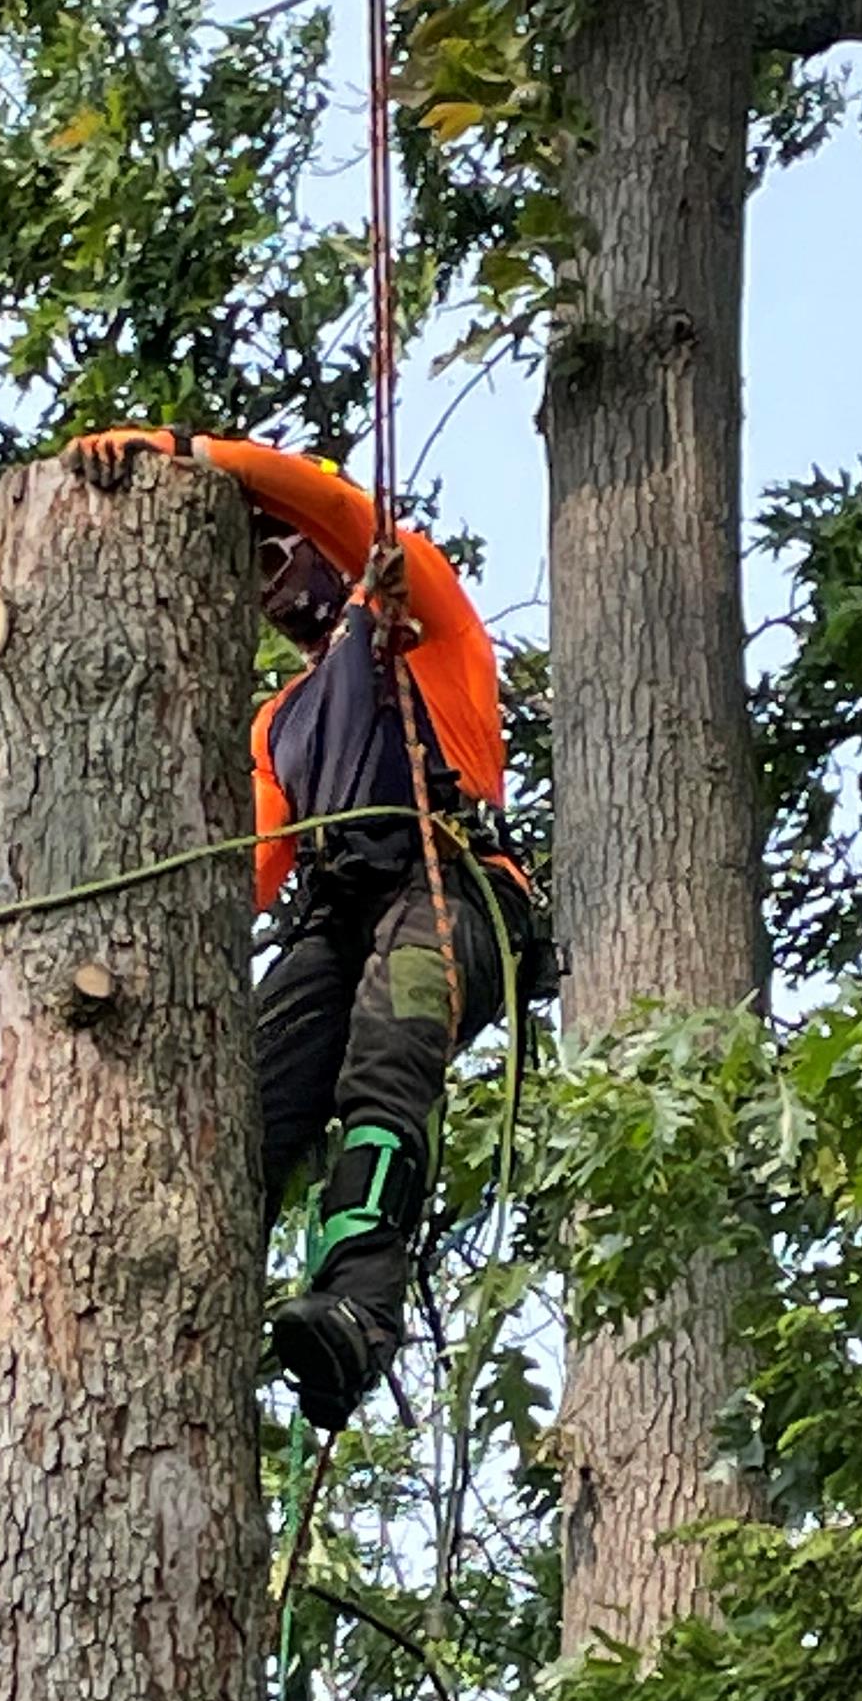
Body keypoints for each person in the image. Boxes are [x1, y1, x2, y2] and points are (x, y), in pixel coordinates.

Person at [74, 428, 545, 1431]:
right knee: (244, 1102)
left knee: (388, 1058)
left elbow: (333, 506)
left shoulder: (417, 611)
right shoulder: (278, 722)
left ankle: (358, 1310)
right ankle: (188, 1326)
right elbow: (247, 873)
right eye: (254, 574)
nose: (274, 588)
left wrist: (180, 450)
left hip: (447, 883)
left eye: (279, 554)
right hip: (339, 909)